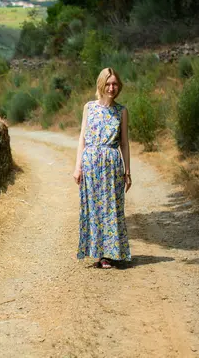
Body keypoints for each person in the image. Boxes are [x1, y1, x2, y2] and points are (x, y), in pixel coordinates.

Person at [73, 67, 132, 269]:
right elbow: (82, 138)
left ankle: (109, 254)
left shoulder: (121, 111)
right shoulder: (89, 107)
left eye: (114, 84)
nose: (111, 87)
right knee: (94, 208)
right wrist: (77, 167)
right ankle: (97, 252)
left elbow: (124, 143)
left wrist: (127, 172)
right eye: (107, 83)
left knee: (111, 208)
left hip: (112, 165)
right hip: (90, 164)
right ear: (101, 84)